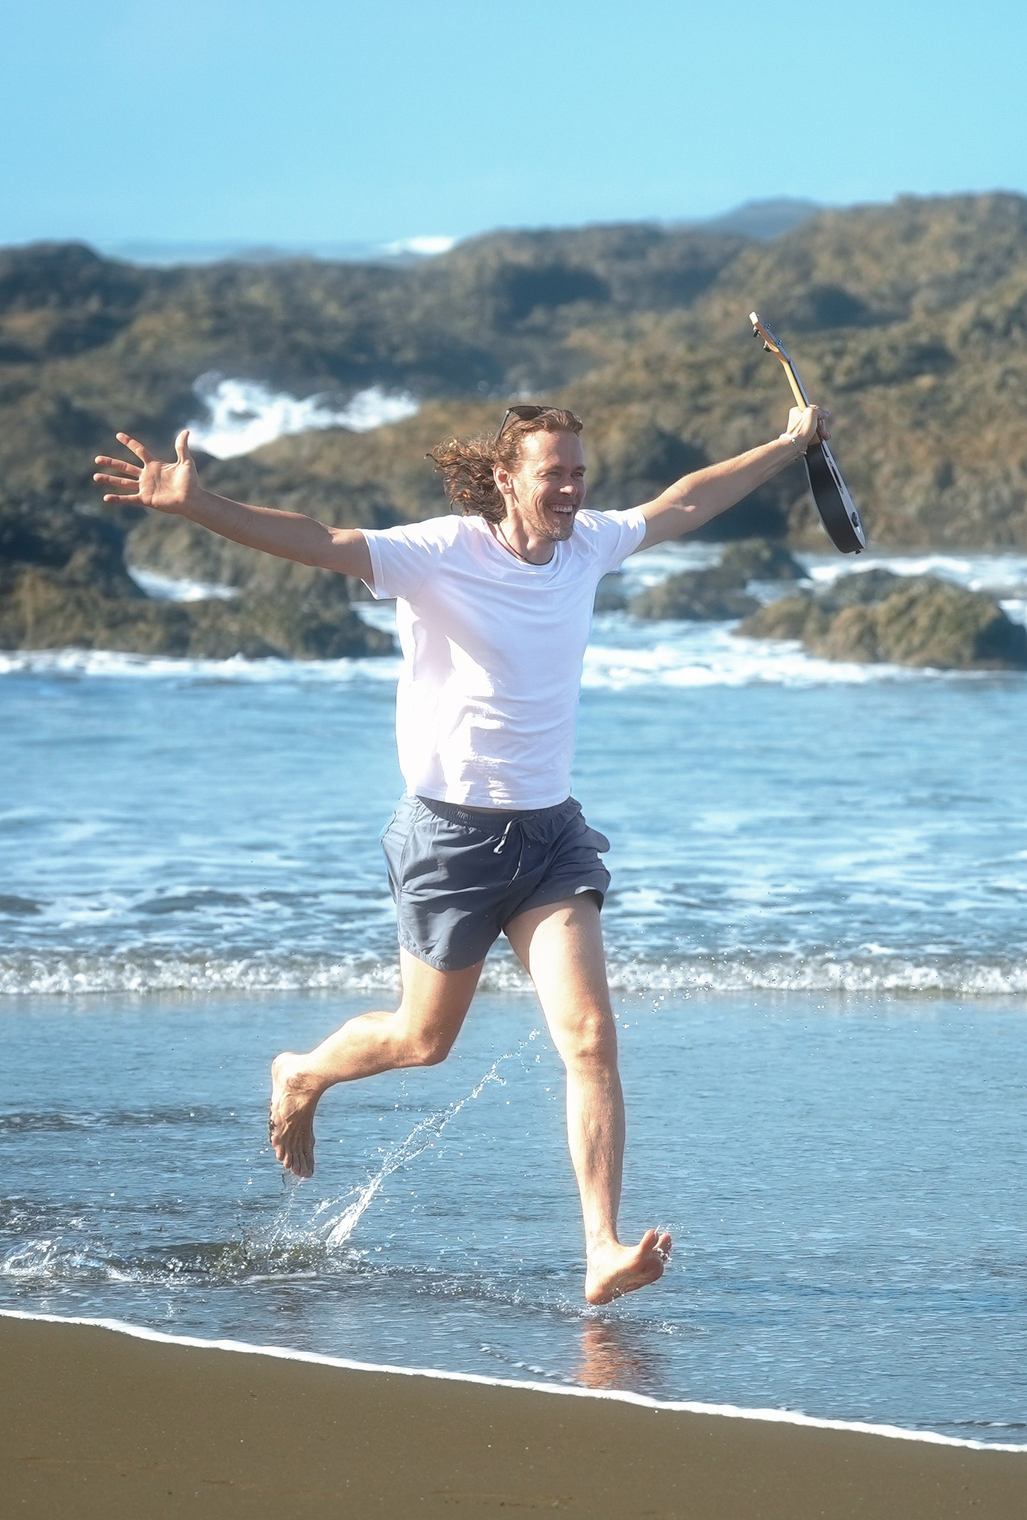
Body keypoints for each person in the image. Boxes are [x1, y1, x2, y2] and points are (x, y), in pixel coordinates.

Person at [92, 398, 829, 1304]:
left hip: (551, 835)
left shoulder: (589, 545)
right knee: (423, 1040)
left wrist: (787, 446)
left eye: (580, 473)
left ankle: (600, 1246)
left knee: (591, 1037)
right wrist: (198, 504)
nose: (572, 489)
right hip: (450, 839)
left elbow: (684, 501)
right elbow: (321, 540)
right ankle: (303, 1072)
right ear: (507, 479)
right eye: (554, 473)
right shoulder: (440, 552)